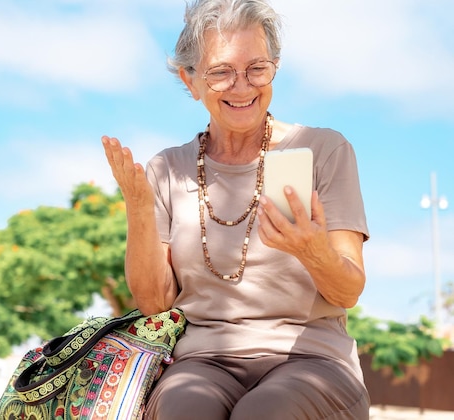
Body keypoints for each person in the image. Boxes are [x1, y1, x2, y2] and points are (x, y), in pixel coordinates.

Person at [101, 0, 370, 418]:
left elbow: (348, 291)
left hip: (312, 361)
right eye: (221, 72)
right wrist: (139, 209)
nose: (242, 86)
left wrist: (312, 250)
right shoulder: (166, 169)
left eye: (256, 69)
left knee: (262, 412)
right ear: (190, 81)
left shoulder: (324, 150)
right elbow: (154, 302)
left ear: (275, 67)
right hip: (202, 363)